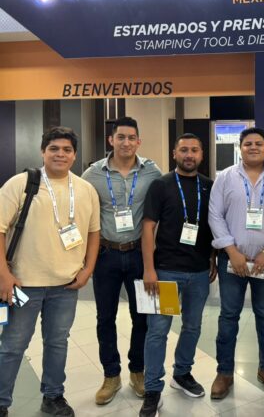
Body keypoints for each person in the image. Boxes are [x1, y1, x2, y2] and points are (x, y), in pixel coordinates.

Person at [0, 126, 100, 417]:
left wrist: (88, 269)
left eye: (67, 150)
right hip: (23, 284)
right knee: (13, 345)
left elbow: (94, 232)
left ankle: (53, 396)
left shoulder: (85, 189)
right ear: (43, 152)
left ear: (74, 155)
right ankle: (2, 402)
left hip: (65, 286)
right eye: (54, 148)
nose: (60, 154)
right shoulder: (20, 183)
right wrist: (4, 274)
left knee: (57, 343)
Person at [208, 127, 264, 400]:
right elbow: (215, 215)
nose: (253, 147)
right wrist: (231, 250)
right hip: (232, 261)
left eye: (258, 143)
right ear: (240, 148)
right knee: (228, 316)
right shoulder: (225, 177)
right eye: (248, 144)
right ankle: (224, 372)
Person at [82, 117, 161, 405]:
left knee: (144, 316)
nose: (126, 142)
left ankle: (137, 371)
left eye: (131, 138)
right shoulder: (92, 174)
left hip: (141, 255)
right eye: (121, 137)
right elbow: (81, 213)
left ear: (139, 141)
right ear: (111, 140)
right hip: (106, 255)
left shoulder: (152, 171)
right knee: (105, 317)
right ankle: (111, 375)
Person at [139, 133, 217, 417]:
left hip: (199, 272)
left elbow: (213, 227)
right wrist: (149, 269)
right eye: (184, 150)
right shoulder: (160, 185)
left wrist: (212, 258)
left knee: (192, 327)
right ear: (174, 153)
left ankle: (182, 373)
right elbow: (148, 227)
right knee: (157, 331)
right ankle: (152, 388)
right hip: (164, 270)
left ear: (201, 154)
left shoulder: (209, 186)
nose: (189, 155)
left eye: (194, 150)